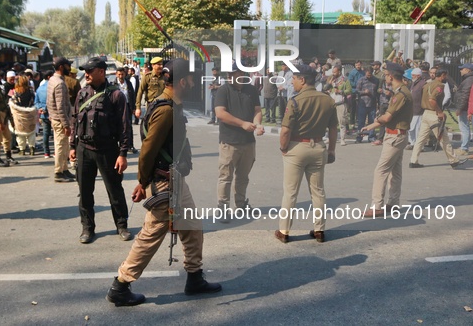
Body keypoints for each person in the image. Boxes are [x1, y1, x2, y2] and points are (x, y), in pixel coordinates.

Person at [106, 58, 221, 306]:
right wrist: (141, 182)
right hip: (164, 182)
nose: (194, 83)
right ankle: (121, 285)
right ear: (182, 81)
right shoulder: (166, 109)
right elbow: (148, 148)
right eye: (191, 79)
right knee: (152, 234)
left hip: (174, 179)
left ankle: (194, 276)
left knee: (191, 227)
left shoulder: (171, 105)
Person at [69, 56, 132, 244]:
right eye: (85, 71)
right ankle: (87, 228)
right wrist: (72, 146)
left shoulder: (116, 95)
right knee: (85, 192)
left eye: (90, 71)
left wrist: (122, 154)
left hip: (107, 150)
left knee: (114, 190)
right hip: (84, 149)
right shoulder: (82, 93)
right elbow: (75, 120)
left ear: (102, 72)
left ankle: (122, 225)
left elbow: (124, 126)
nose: (86, 74)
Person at [275, 65, 338, 243]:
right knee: (318, 191)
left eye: (294, 78)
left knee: (290, 192)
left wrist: (283, 148)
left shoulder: (295, 101)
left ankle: (284, 231)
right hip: (318, 146)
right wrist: (332, 149)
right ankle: (319, 230)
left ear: (302, 80)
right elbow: (333, 128)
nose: (292, 82)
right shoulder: (327, 100)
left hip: (297, 147)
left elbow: (285, 131)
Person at [362, 63, 413, 217]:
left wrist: (376, 119)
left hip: (395, 136)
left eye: (385, 74)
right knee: (395, 171)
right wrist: (372, 126)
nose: (384, 77)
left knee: (381, 170)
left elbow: (387, 117)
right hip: (399, 134)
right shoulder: (402, 92)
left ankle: (377, 206)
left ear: (391, 76)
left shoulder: (400, 95)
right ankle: (393, 203)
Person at [214, 63, 264, 220]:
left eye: (233, 73)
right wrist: (242, 123)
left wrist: (258, 124)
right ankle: (222, 207)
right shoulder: (223, 90)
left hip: (248, 142)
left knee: (243, 176)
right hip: (229, 142)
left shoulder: (251, 90)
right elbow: (220, 113)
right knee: (225, 177)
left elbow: (257, 110)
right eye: (228, 74)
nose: (229, 77)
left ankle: (241, 204)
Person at [409, 68, 464, 169]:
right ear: (442, 75)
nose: (446, 77)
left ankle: (413, 160)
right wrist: (440, 112)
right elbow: (432, 100)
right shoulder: (439, 85)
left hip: (425, 113)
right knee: (444, 138)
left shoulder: (427, 84)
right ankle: (454, 160)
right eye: (445, 75)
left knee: (420, 139)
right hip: (434, 114)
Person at [47, 57, 76, 183]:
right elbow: (60, 106)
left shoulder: (53, 80)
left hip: (56, 118)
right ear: (61, 67)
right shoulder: (59, 83)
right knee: (60, 146)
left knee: (64, 146)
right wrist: (66, 124)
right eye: (67, 66)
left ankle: (64, 169)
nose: (69, 68)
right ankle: (59, 172)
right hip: (60, 120)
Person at [9, 75, 38, 155]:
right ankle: (32, 148)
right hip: (30, 114)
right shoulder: (31, 92)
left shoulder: (14, 92)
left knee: (20, 133)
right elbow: (34, 102)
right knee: (31, 132)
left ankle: (22, 150)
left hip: (18, 115)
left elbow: (10, 102)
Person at [112, 67, 138, 154]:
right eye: (119, 74)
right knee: (117, 126)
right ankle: (118, 146)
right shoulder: (113, 84)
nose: (120, 76)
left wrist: (134, 107)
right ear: (116, 74)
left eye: (122, 74)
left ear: (125, 74)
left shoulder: (128, 83)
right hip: (117, 107)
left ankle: (130, 145)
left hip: (127, 106)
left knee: (128, 126)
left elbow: (133, 95)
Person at [326, 65, 351, 146]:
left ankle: (342, 139)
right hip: (331, 103)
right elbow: (325, 88)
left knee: (341, 121)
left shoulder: (345, 80)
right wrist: (329, 84)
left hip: (341, 103)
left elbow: (349, 90)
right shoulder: (331, 79)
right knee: (330, 122)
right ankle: (330, 138)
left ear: (339, 71)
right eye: (332, 72)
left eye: (335, 72)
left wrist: (340, 91)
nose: (333, 73)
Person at [135, 56, 165, 121]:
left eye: (162, 64)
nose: (161, 66)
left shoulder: (165, 76)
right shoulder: (147, 76)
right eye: (159, 64)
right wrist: (138, 108)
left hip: (164, 105)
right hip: (151, 105)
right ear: (153, 65)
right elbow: (140, 92)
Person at [355, 67, 379, 143]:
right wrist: (364, 92)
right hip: (363, 104)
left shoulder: (376, 80)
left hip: (372, 104)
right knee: (361, 122)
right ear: (365, 73)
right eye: (368, 75)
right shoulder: (361, 80)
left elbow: (377, 92)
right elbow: (357, 91)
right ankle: (359, 137)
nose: (369, 76)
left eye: (370, 75)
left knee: (372, 121)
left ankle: (371, 136)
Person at [455, 63, 473, 156]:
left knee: (464, 128)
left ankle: (464, 148)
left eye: (462, 69)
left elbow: (465, 95)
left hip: (466, 108)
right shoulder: (468, 79)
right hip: (467, 108)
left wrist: (460, 108)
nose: (460, 70)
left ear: (468, 70)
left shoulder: (468, 80)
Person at [35, 70, 54, 158]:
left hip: (43, 114)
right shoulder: (51, 87)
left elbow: (36, 102)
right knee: (55, 134)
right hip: (53, 113)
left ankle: (46, 152)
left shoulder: (39, 88)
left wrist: (41, 109)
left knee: (46, 133)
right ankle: (55, 152)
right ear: (49, 77)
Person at [406, 68, 425, 150]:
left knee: (417, 129)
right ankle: (412, 143)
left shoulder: (423, 84)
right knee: (411, 128)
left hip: (419, 110)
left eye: (413, 75)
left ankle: (420, 146)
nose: (411, 77)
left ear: (418, 76)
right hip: (412, 109)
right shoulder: (414, 83)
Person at [348, 61, 365, 129]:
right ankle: (352, 122)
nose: (358, 66)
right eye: (357, 65)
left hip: (361, 92)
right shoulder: (352, 72)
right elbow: (350, 81)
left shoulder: (363, 72)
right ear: (355, 65)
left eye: (359, 65)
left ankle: (359, 121)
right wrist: (357, 85)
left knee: (360, 107)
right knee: (353, 108)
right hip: (354, 91)